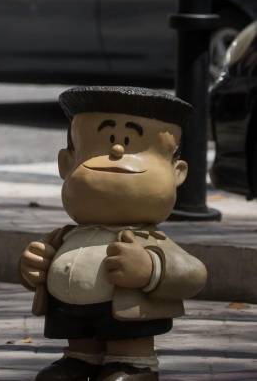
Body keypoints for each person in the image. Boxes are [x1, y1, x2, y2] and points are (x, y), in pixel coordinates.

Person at [19, 86, 207, 381]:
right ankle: (80, 359)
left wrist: (151, 270)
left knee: (127, 349)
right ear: (66, 165)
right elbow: (38, 264)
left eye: (130, 143)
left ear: (177, 172)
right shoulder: (64, 237)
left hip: (128, 320)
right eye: (104, 143)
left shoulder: (150, 242)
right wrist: (35, 264)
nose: (117, 150)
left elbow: (193, 274)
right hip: (72, 322)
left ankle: (134, 364)